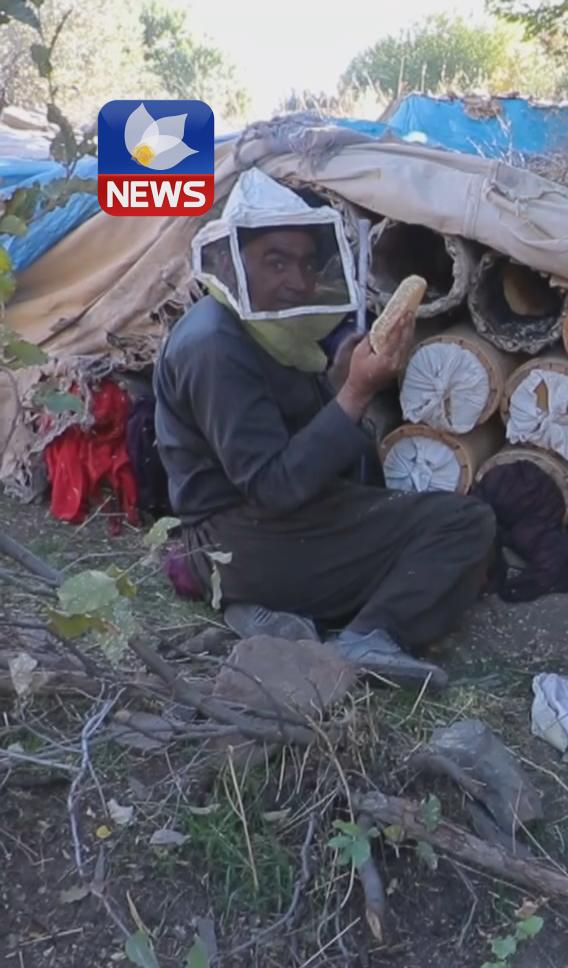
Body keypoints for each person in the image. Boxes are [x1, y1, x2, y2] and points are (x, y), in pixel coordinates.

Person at [155, 169, 494, 692]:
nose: (298, 281)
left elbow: (287, 439)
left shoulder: (260, 326)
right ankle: (367, 638)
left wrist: (335, 381)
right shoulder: (214, 346)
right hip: (237, 537)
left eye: (308, 264)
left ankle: (267, 606)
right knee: (463, 524)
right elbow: (272, 486)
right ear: (229, 262)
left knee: (406, 512)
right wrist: (355, 393)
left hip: (257, 531)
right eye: (276, 262)